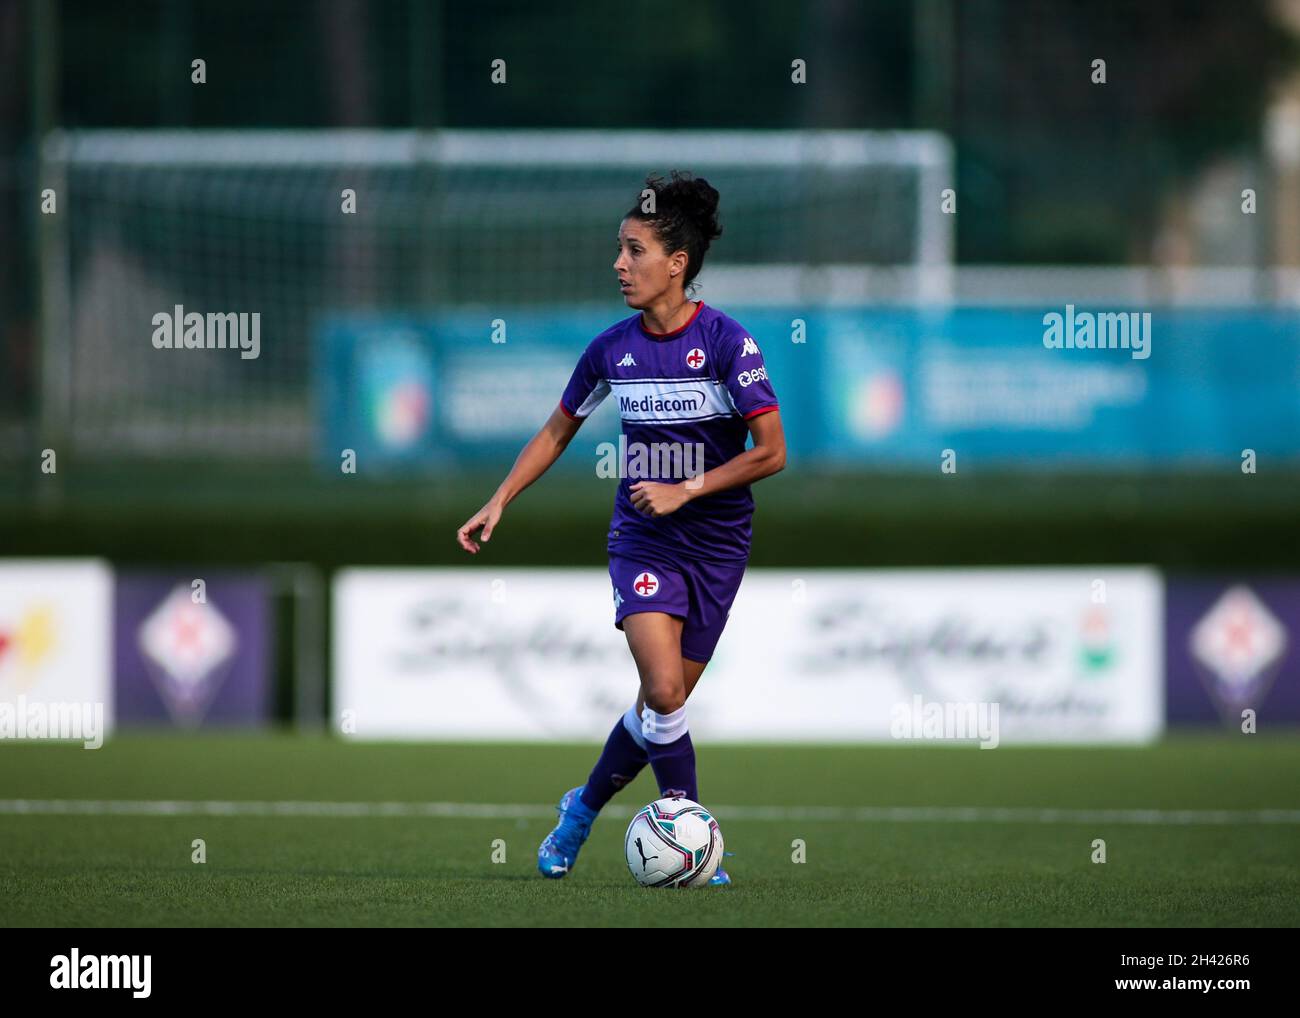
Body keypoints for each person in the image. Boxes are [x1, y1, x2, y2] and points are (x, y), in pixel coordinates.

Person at [457, 170, 786, 886]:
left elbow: (772, 452)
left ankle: (581, 808)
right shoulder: (612, 349)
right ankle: (690, 833)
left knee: (656, 706)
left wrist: (687, 487)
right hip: (644, 539)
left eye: (635, 250)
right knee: (665, 692)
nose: (619, 264)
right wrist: (501, 497)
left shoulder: (730, 344)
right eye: (619, 249)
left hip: (719, 545)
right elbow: (556, 430)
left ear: (678, 264)